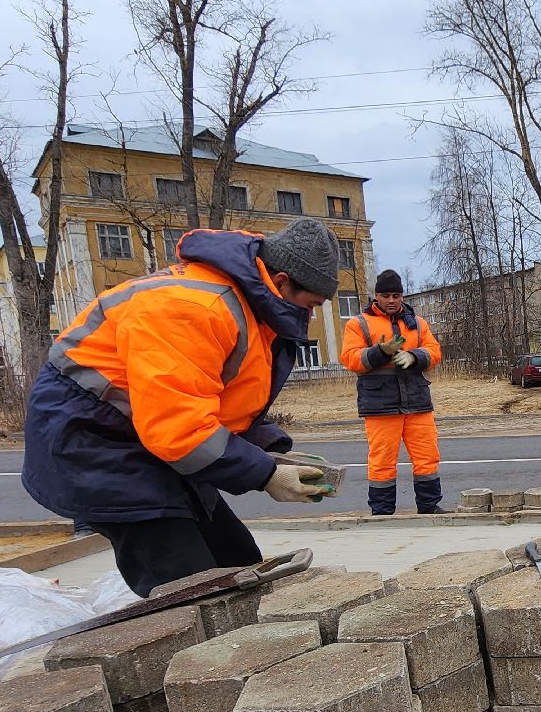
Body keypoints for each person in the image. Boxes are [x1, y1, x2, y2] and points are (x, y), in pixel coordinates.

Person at [21, 220, 341, 597]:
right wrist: (263, 473)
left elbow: (215, 399)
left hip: (147, 438)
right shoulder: (194, 308)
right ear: (283, 281)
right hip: (96, 444)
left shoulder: (251, 307)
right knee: (192, 586)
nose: (312, 316)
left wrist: (268, 450)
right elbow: (178, 428)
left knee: (237, 564)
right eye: (311, 305)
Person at [339, 269, 444, 515]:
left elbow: (434, 351)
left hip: (417, 401)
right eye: (386, 295)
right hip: (380, 404)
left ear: (402, 296)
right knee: (382, 462)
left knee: (427, 457)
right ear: (376, 296)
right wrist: (381, 351)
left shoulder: (417, 323)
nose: (391, 300)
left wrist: (414, 356)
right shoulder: (359, 324)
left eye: (396, 295)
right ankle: (382, 513)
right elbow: (351, 359)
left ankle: (429, 507)